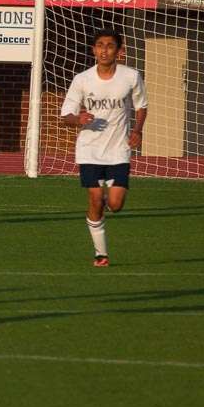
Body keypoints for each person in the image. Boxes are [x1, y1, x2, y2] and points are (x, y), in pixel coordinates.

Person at [60, 27, 148, 267]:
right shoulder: (82, 79)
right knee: (96, 198)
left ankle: (103, 213)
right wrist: (78, 119)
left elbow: (141, 106)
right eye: (100, 45)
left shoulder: (131, 76)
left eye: (110, 46)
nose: (104, 50)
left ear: (119, 51)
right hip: (89, 150)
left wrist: (137, 130)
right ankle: (101, 254)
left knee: (116, 205)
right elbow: (65, 115)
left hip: (119, 150)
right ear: (93, 50)